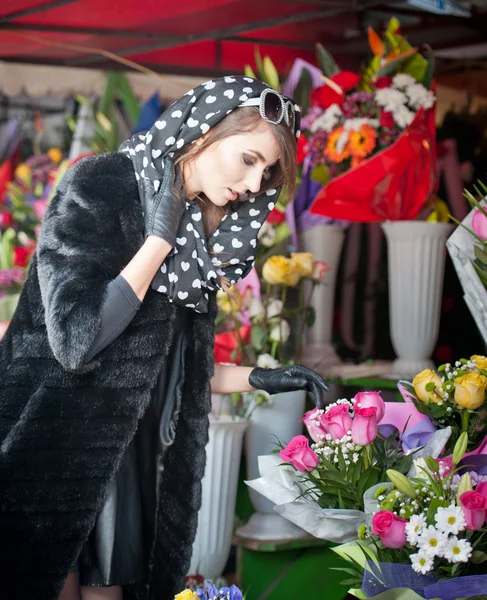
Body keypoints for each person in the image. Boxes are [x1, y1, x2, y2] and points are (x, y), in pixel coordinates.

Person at [0, 76, 329, 600]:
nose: (253, 182)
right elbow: (77, 343)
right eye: (248, 159)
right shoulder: (100, 184)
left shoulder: (198, 240)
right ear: (205, 132)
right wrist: (159, 239)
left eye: (265, 173)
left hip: (123, 458)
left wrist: (265, 378)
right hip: (51, 450)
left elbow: (178, 368)